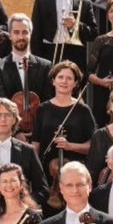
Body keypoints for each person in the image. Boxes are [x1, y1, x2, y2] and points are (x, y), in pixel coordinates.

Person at [30, 61, 95, 215]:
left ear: (76, 83)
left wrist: (70, 146)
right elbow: (36, 143)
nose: (64, 81)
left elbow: (93, 144)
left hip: (75, 175)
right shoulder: (43, 109)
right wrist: (33, 171)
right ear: (53, 81)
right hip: (47, 174)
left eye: (69, 78)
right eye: (60, 77)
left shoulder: (82, 110)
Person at [30, 0, 98, 66]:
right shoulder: (41, 1)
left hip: (75, 53)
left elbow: (93, 33)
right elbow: (35, 35)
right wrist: (37, 61)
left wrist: (76, 25)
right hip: (48, 53)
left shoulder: (85, 3)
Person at [0, 14, 53, 140]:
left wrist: (37, 131)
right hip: (9, 132)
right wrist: (17, 131)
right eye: (16, 32)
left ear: (30, 34)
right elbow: (1, 101)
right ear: (10, 35)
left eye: (24, 32)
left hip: (40, 132)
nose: (21, 37)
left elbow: (47, 100)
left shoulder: (45, 66)